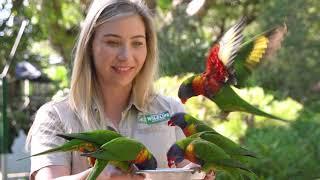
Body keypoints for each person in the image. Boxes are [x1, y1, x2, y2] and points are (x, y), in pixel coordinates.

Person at [26, 0, 215, 179]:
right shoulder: (56, 116)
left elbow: (185, 172)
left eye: (137, 43)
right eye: (113, 42)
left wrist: (198, 174)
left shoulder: (172, 112)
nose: (126, 55)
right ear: (89, 46)